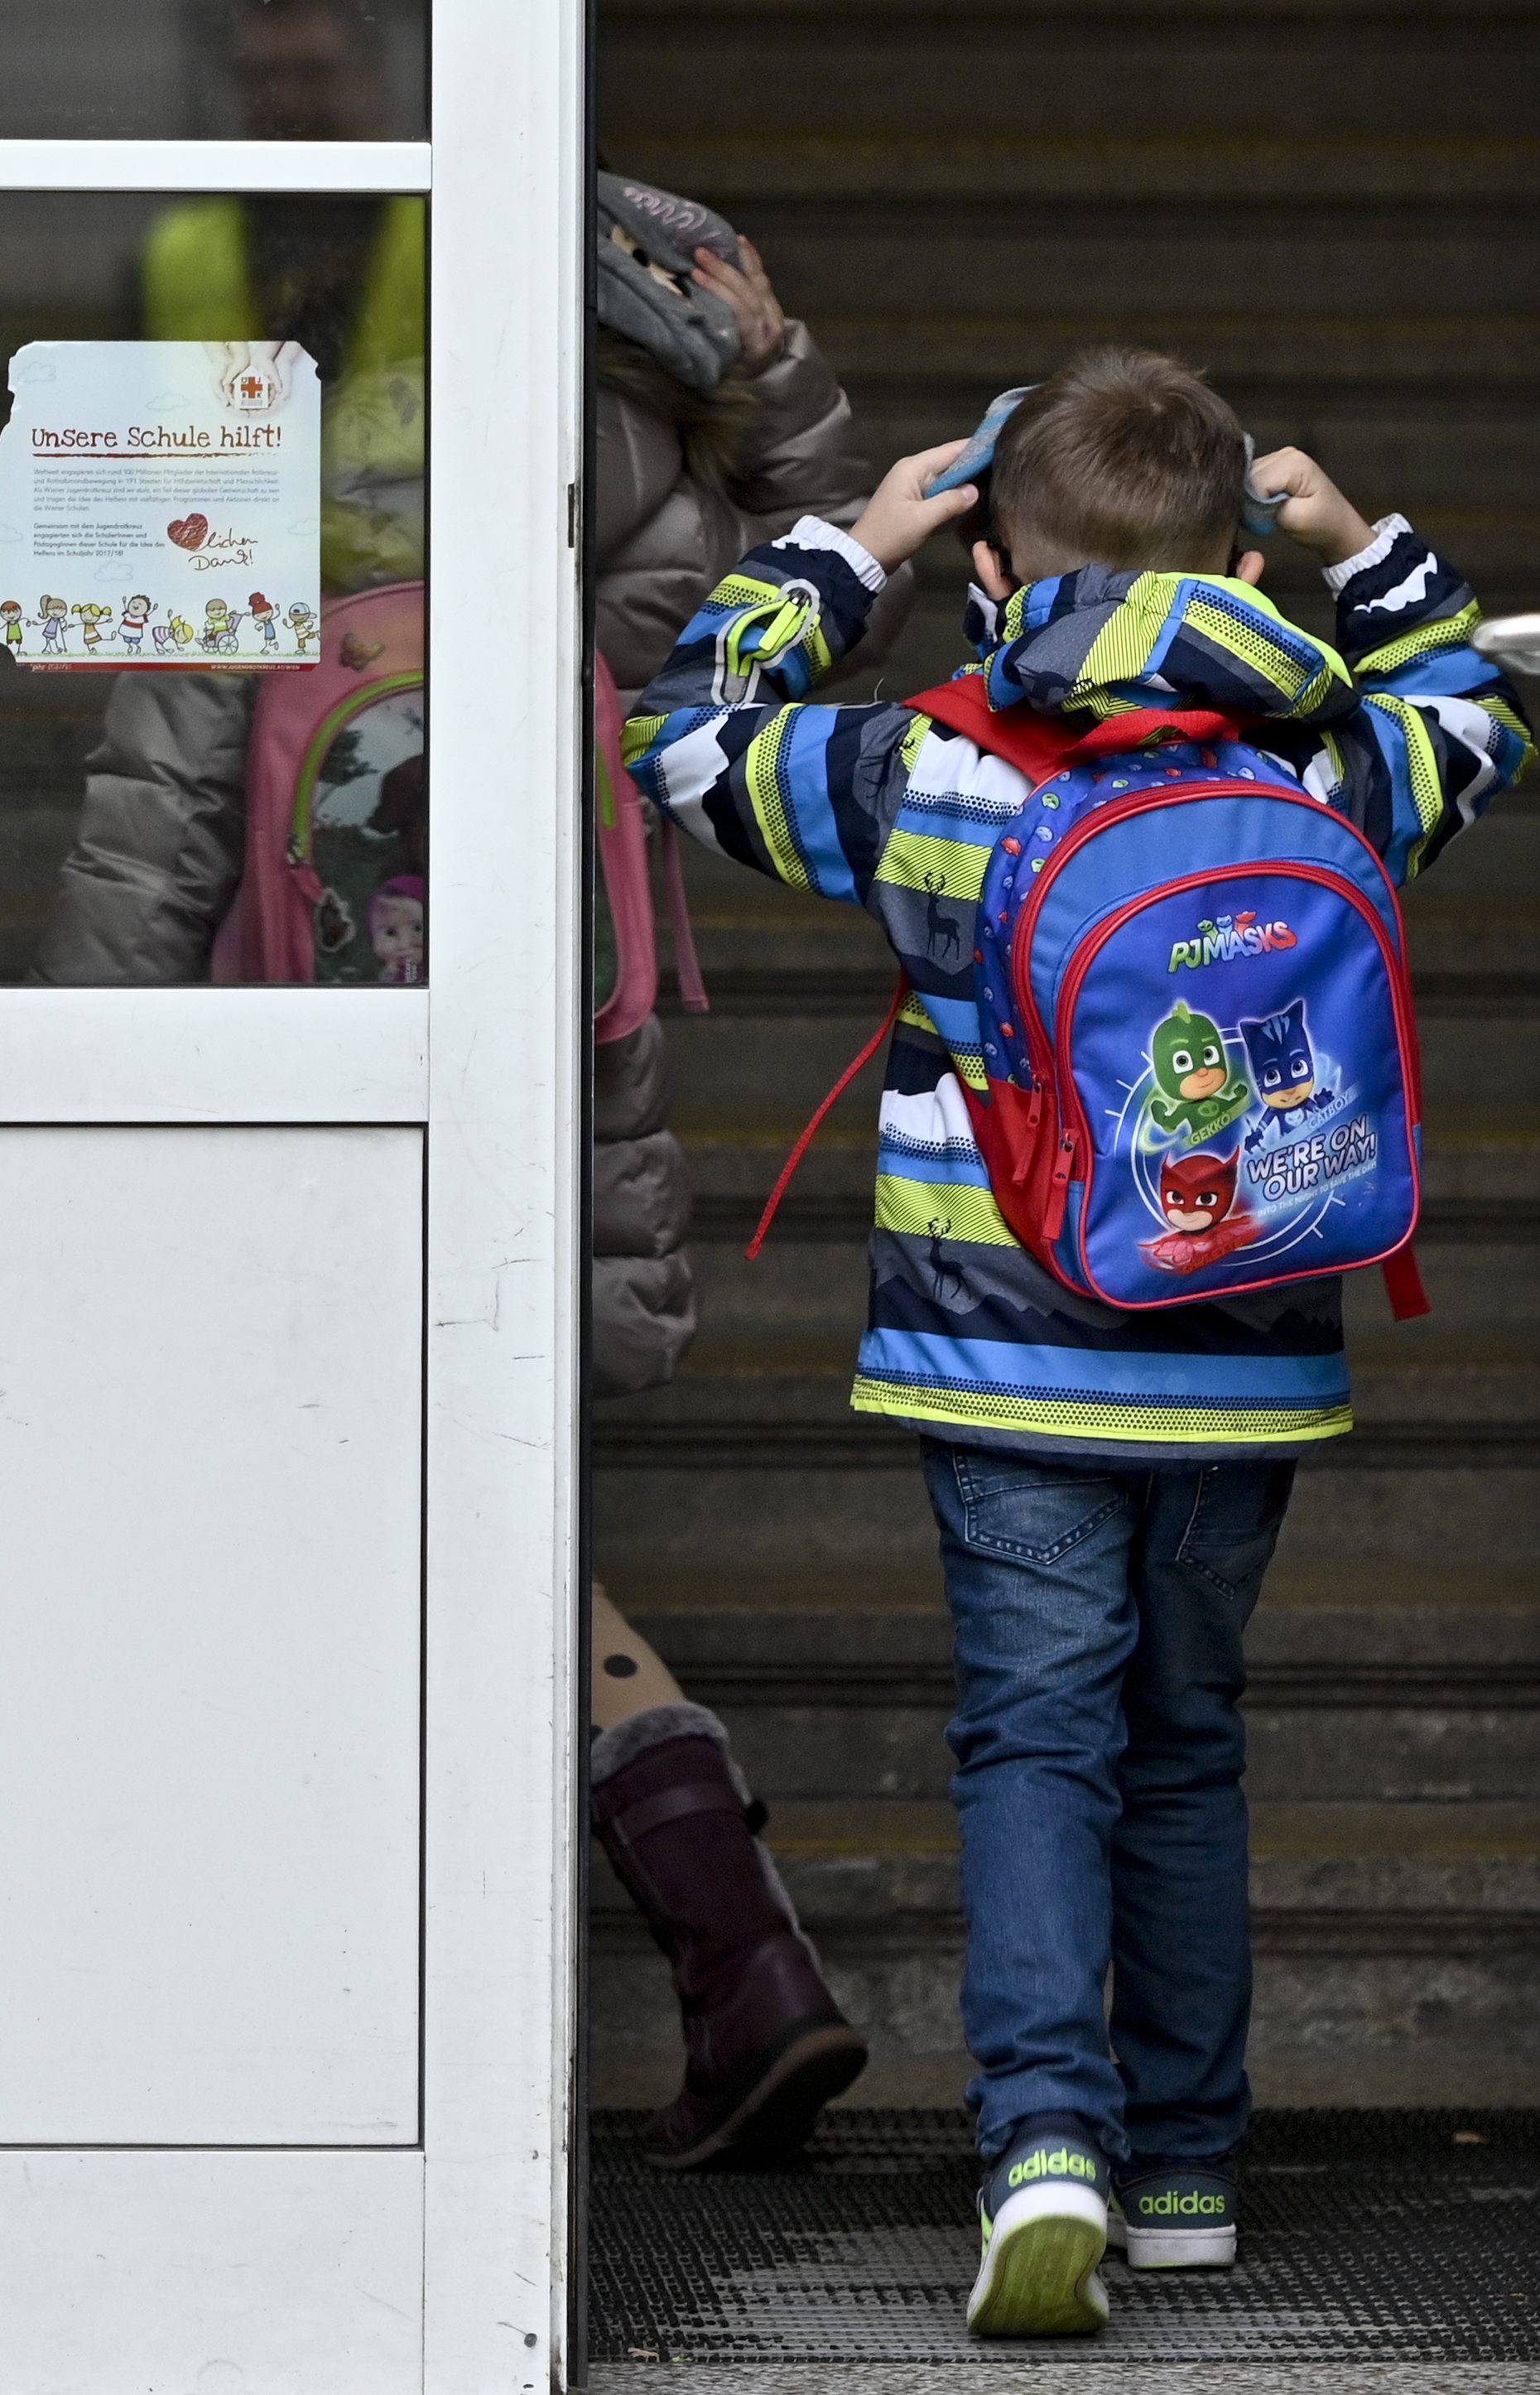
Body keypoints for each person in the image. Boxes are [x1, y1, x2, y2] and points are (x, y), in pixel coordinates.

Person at [623, 348, 1532, 2328]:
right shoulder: (1322, 767)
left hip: (1002, 1363)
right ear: (1235, 557)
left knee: (1039, 1742)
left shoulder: (930, 772)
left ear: (993, 551)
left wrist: (843, 558)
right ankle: (1193, 2161)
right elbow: (1479, 703)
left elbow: (685, 737)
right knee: (1187, 1751)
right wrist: (1363, 546)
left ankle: (1049, 2143)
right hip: (1243, 1360)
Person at [36, 155, 908, 2169]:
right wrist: (774, 383)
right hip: (541, 1066)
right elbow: (802, 618)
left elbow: (156, 831)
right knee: (455, 1531)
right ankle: (736, 1957)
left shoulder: (246, 485)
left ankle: (411, 2042)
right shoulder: (609, 470)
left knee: (366, 1539)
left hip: (300, 1089)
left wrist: (66, 1092)